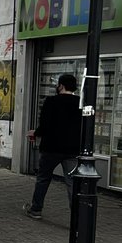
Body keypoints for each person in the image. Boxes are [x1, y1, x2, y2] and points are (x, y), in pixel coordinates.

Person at [24, 72, 80, 220]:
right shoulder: (80, 103)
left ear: (61, 86)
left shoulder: (51, 101)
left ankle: (36, 209)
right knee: (72, 182)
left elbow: (45, 126)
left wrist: (35, 133)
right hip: (72, 149)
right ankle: (77, 216)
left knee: (43, 178)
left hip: (51, 148)